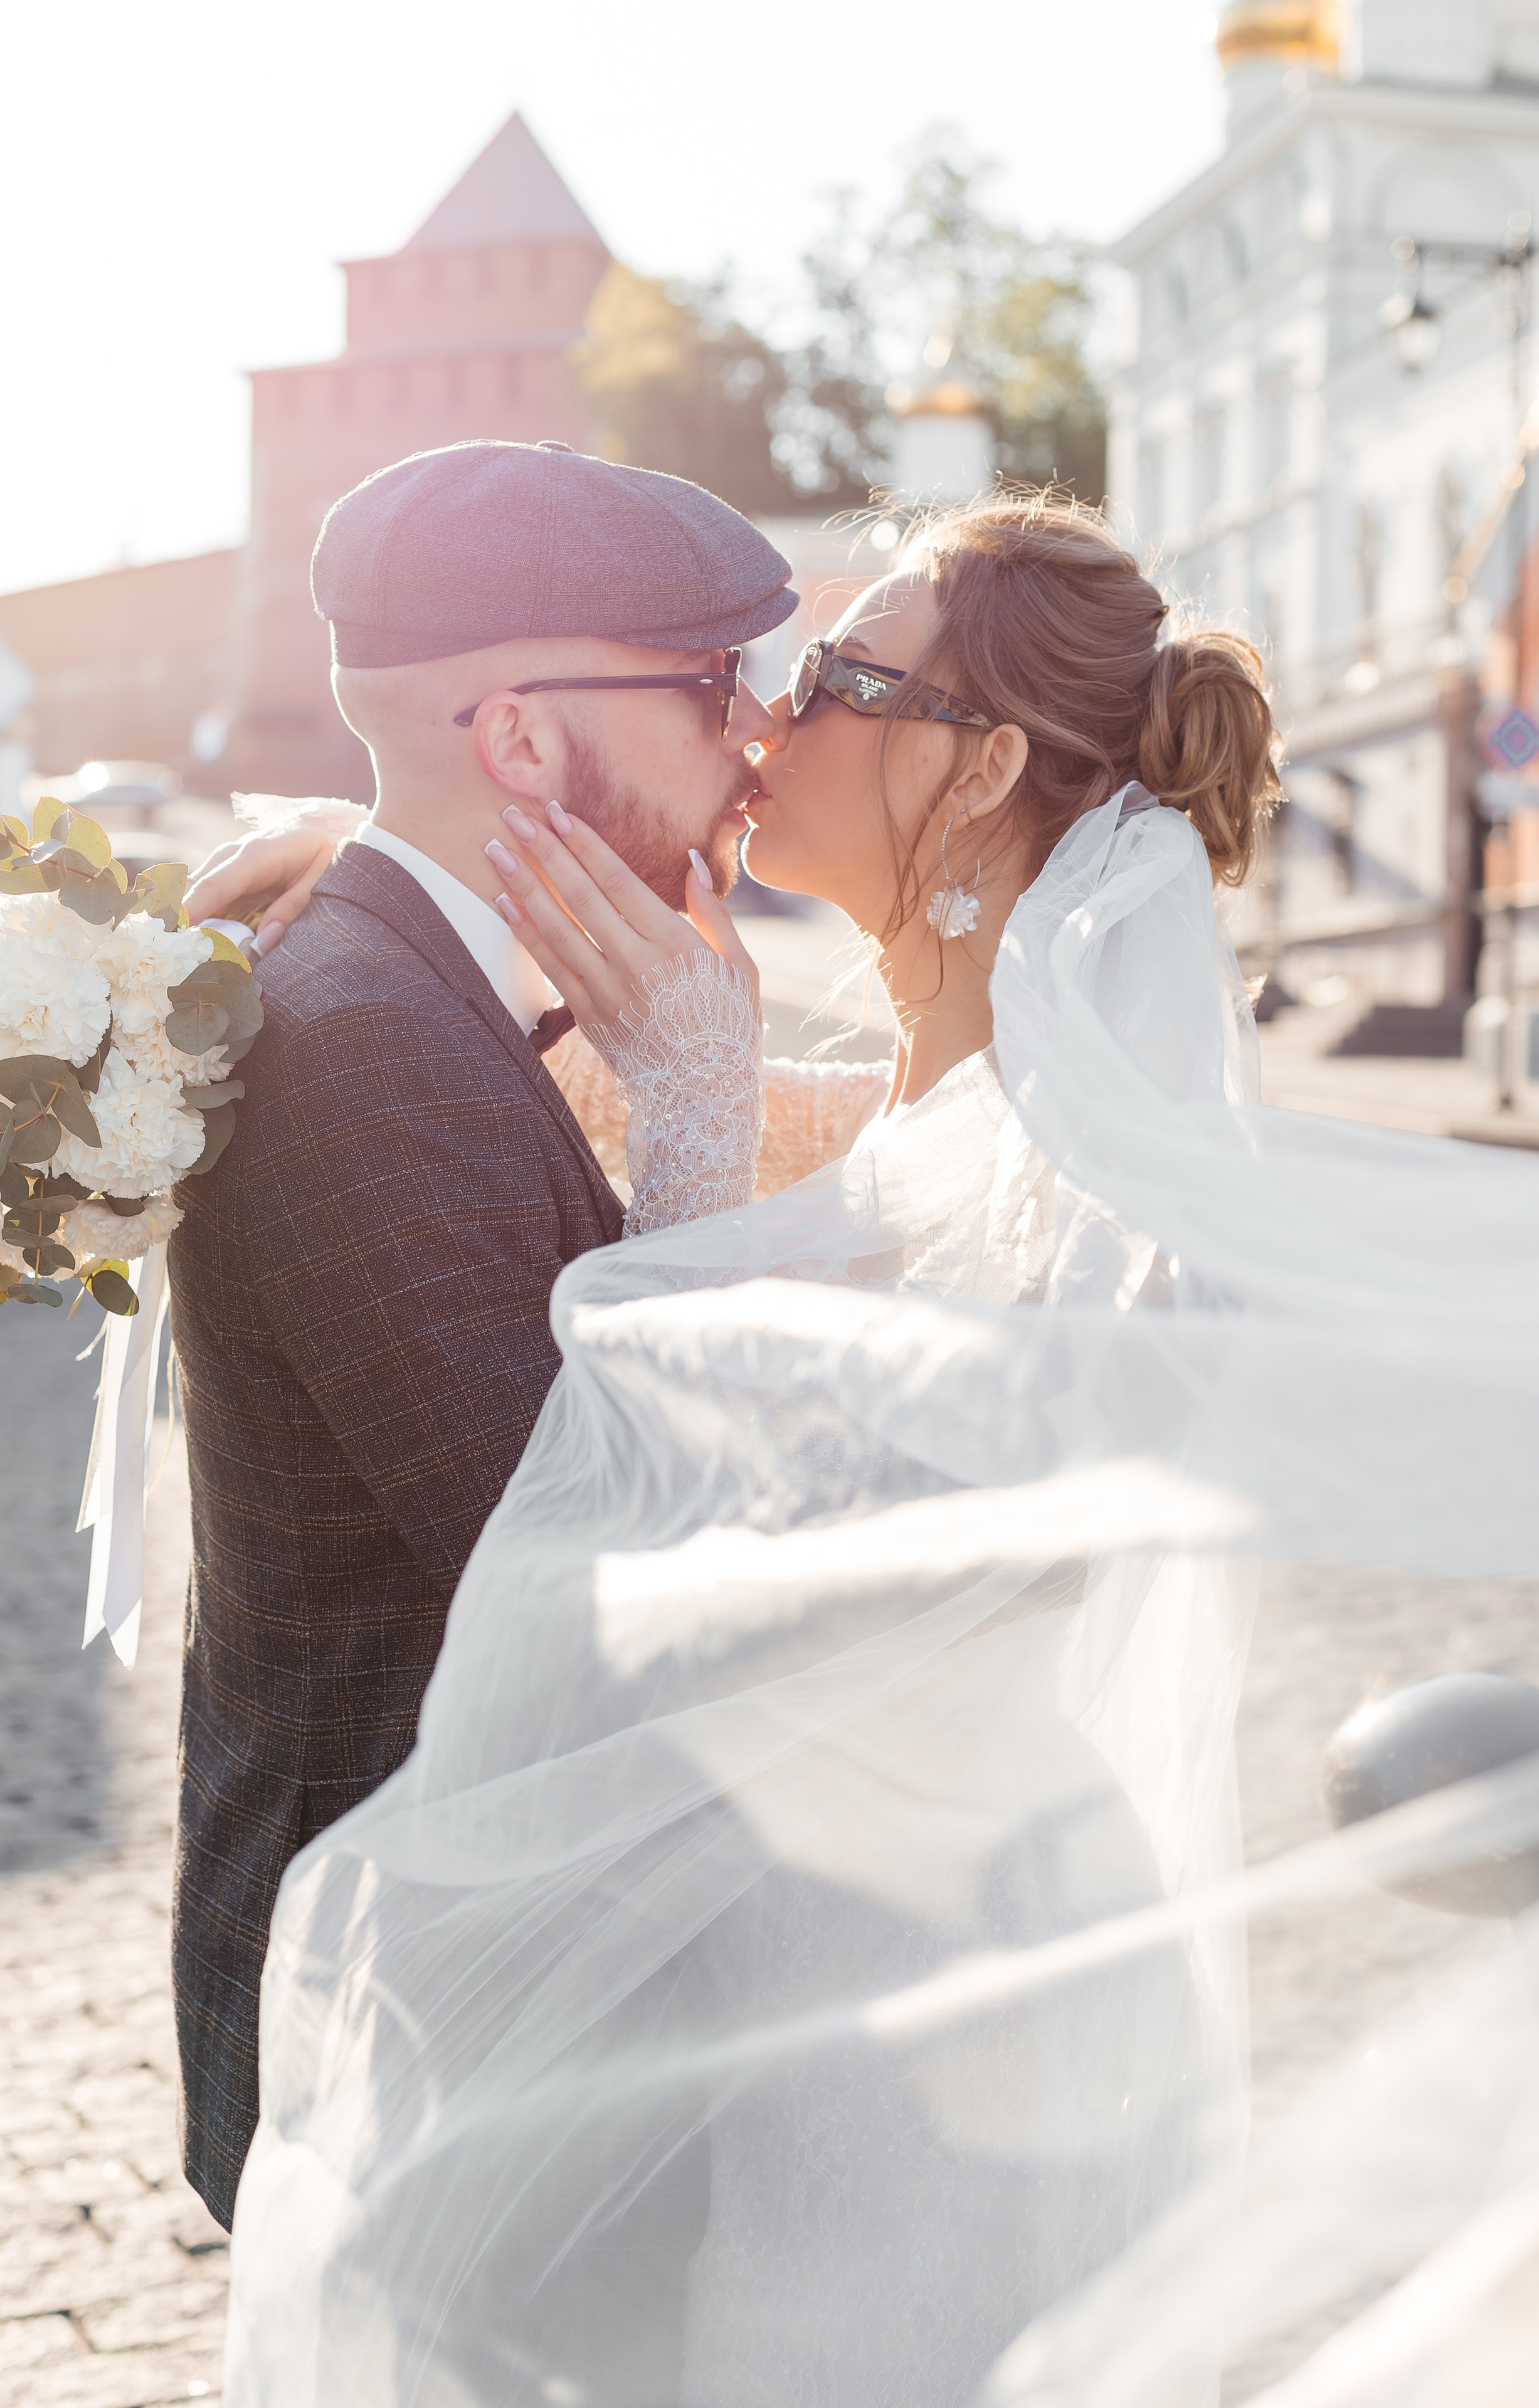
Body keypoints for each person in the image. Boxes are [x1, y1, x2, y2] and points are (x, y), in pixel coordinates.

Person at [198, 492, 1298, 2404]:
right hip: (748, 1981)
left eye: (836, 677)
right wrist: (417, 879)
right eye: (746, 679)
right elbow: (775, 1124)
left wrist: (679, 1094)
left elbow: (688, 1591)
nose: (772, 722)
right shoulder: (939, 1105)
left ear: (984, 776)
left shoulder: (1090, 1189)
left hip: (889, 2005)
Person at [166, 436, 796, 2229]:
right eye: (711, 686)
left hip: (470, 1972)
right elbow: (583, 1569)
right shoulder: (362, 1034)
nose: (756, 736)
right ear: (521, 738)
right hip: (417, 2010)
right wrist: (693, 1123)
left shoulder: (411, 976)